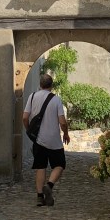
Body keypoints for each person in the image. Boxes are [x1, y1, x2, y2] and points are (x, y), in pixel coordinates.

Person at [22, 73, 70, 207]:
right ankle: (49, 185)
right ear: (51, 85)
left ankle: (39, 197)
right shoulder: (56, 100)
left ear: (40, 84)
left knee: (40, 167)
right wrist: (66, 134)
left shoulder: (32, 97)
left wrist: (29, 130)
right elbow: (62, 122)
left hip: (38, 139)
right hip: (54, 140)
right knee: (59, 165)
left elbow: (25, 117)